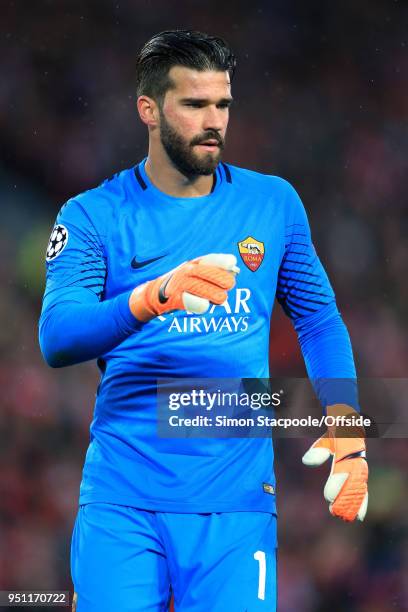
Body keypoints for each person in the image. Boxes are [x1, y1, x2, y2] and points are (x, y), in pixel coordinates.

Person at [39, 29, 368, 612]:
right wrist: (153, 297)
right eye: (194, 104)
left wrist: (345, 422)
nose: (213, 120)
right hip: (124, 501)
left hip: (236, 507)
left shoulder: (273, 204)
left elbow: (318, 318)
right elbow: (58, 335)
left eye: (222, 104)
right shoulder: (94, 215)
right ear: (149, 109)